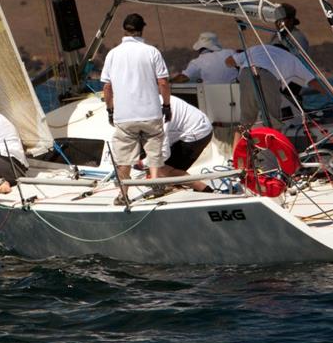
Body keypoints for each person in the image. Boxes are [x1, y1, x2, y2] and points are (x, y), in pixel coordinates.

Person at [101, 13, 171, 205]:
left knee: (124, 157)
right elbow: (163, 82)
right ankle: (156, 186)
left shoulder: (113, 54)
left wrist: (110, 110)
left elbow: (107, 87)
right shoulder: (151, 52)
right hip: (151, 113)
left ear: (125, 29)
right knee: (154, 149)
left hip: (125, 116)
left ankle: (123, 194)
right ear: (142, 29)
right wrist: (166, 105)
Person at [225, 44, 323, 149]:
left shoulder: (259, 48)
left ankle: (236, 159)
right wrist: (332, 94)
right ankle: (275, 158)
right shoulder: (291, 58)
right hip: (268, 76)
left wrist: (240, 63)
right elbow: (313, 82)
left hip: (246, 73)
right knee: (273, 122)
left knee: (245, 121)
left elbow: (228, 61)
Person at [155, 95, 215, 192]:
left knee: (161, 170)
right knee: (157, 168)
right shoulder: (155, 99)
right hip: (192, 126)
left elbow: (164, 153)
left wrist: (144, 163)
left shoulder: (158, 115)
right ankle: (176, 185)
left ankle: (204, 189)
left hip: (197, 133)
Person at [170, 32, 237, 84]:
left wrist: (168, 82)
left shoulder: (197, 62)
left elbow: (183, 78)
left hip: (212, 96)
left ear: (199, 48)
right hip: (235, 92)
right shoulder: (230, 52)